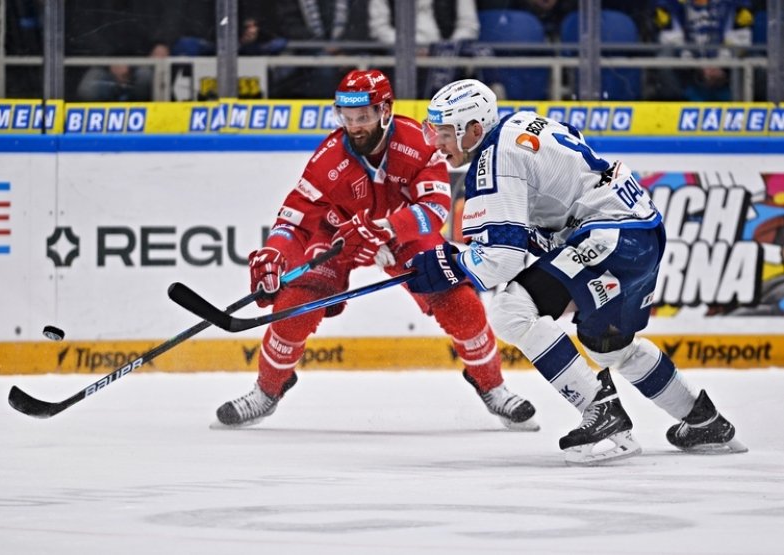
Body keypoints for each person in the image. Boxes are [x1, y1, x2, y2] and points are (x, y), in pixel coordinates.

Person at [408, 79, 747, 464]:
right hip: (640, 231)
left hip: (610, 235)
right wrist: (459, 259)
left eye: (445, 132)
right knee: (609, 345)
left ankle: (603, 413)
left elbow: (501, 259)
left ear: (474, 129)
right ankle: (704, 422)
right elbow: (539, 221)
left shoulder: (492, 159)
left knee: (511, 309)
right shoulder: (523, 123)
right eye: (433, 131)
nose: (437, 143)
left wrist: (449, 266)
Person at [214, 69, 538, 431]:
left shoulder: (419, 142)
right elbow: (295, 220)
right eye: (347, 118)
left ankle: (492, 386)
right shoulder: (328, 160)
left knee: (460, 303)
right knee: (294, 307)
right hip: (339, 235)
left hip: (403, 233)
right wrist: (274, 250)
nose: (354, 126)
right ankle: (266, 391)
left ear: (385, 110)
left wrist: (386, 231)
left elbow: (434, 208)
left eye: (363, 116)